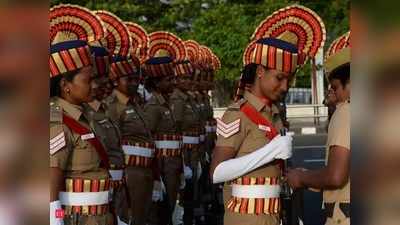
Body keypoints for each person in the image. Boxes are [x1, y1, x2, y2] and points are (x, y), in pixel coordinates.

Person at [209, 5, 326, 225]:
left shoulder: (273, 113)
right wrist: (270, 150)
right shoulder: (238, 114)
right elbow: (217, 173)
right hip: (245, 217)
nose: (285, 86)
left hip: (274, 214)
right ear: (260, 72)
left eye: (289, 80)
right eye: (279, 78)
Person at [50, 4, 112, 225]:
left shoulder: (85, 115)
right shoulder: (56, 121)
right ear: (66, 85)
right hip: (76, 219)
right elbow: (50, 181)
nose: (94, 85)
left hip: (99, 214)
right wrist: (54, 219)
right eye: (88, 80)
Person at [95, 10, 154, 225]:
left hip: (139, 172)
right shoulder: (112, 106)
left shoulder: (135, 103)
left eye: (136, 79)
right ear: (116, 79)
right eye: (128, 79)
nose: (134, 83)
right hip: (126, 175)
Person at [287, 31, 350, 225]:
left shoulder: (347, 112)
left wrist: (302, 177)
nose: (333, 95)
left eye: (336, 88)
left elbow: (335, 176)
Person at [141, 31, 186, 225]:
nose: (173, 82)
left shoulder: (166, 102)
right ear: (157, 82)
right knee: (163, 212)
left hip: (174, 162)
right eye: (168, 80)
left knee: (172, 208)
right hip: (163, 164)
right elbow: (149, 140)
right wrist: (155, 175)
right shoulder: (153, 107)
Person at [83, 44, 130, 225]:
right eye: (96, 77)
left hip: (114, 189)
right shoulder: (82, 114)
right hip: (90, 199)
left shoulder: (105, 109)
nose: (103, 83)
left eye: (104, 76)